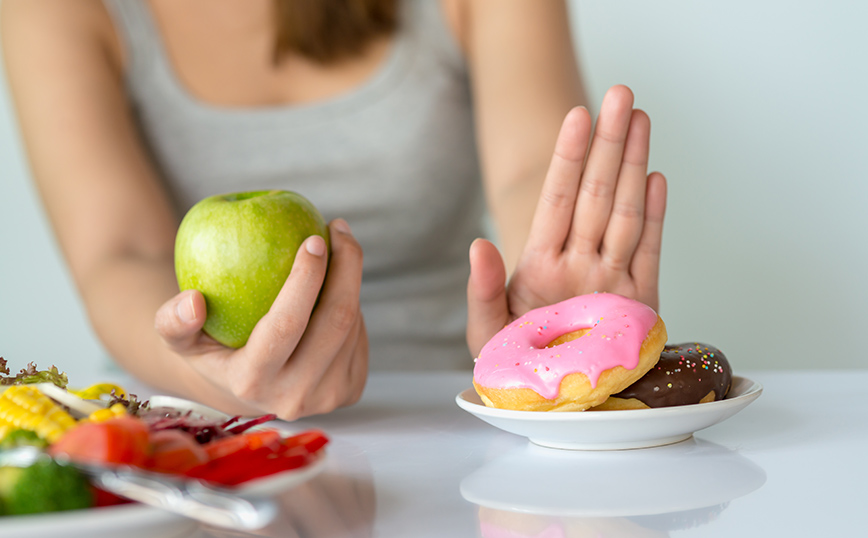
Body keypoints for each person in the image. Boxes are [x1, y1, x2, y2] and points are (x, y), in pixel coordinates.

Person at [2, 0, 666, 420]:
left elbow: (531, 173)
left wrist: (550, 316)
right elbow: (120, 252)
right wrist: (215, 379)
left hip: (449, 421)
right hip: (192, 434)